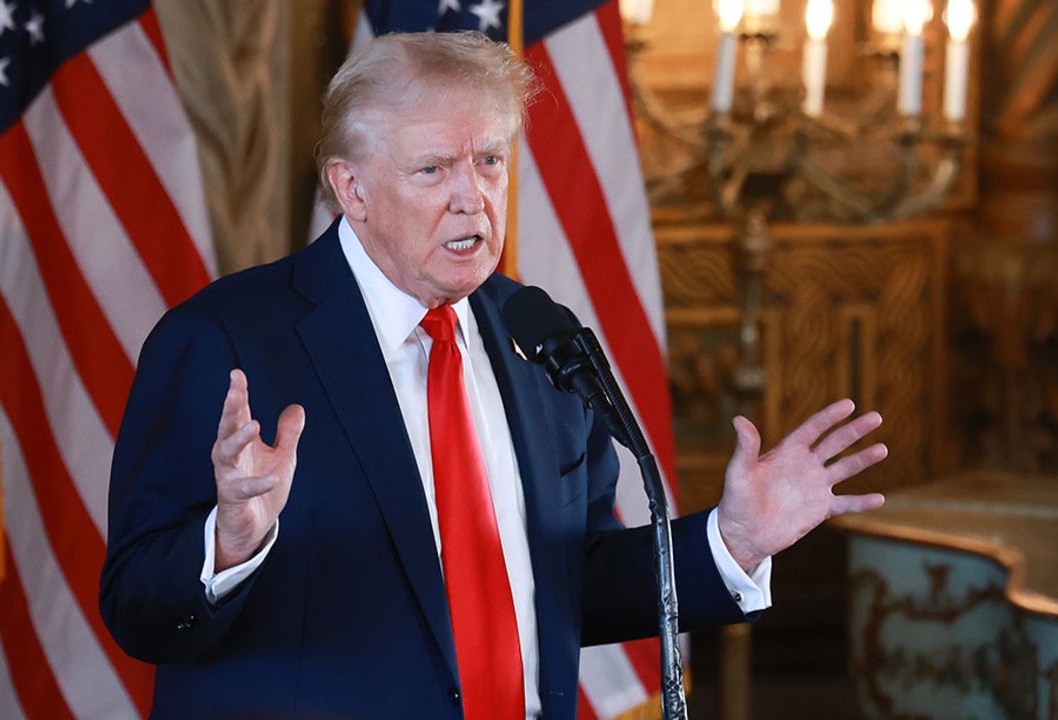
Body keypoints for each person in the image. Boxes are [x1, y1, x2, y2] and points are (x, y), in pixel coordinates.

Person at [99, 31, 887, 720]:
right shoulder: (223, 341)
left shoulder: (538, 337)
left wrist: (731, 540)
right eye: (434, 169)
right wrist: (228, 545)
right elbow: (136, 607)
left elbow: (572, 580)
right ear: (352, 189)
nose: (471, 198)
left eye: (489, 162)